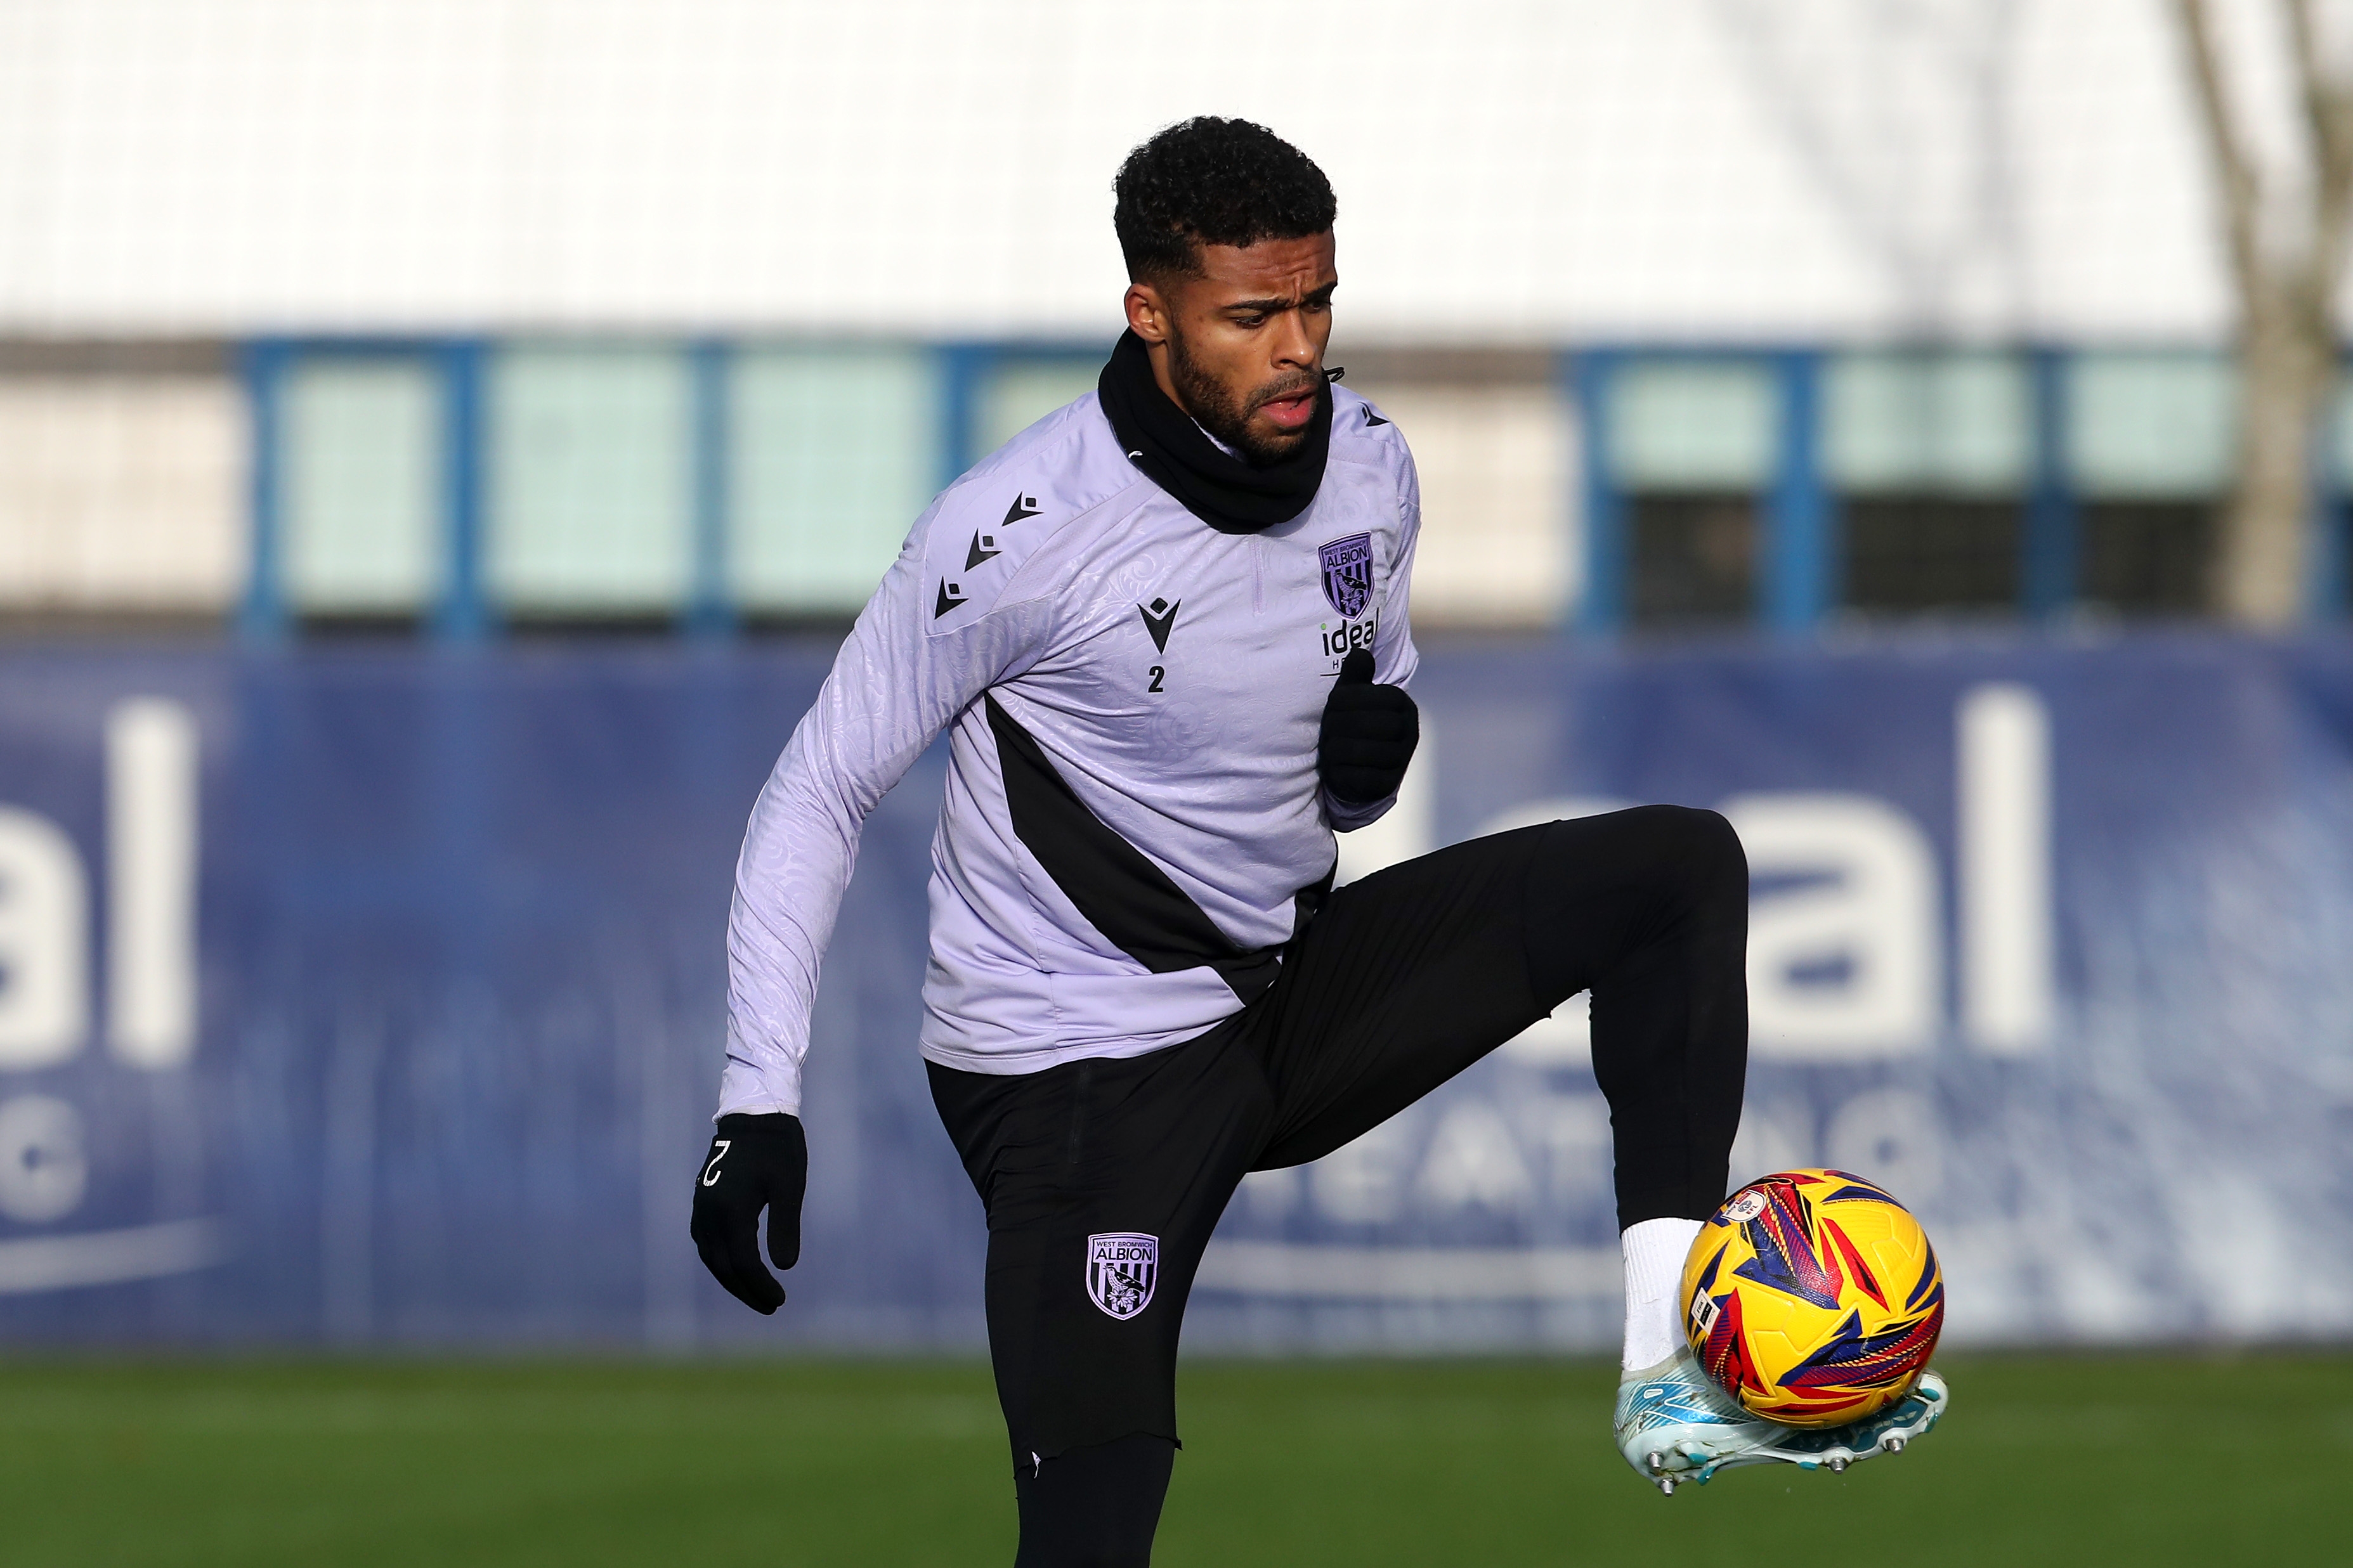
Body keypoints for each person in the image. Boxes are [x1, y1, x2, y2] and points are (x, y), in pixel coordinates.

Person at [691, 116, 1943, 1564]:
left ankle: (1670, 1359)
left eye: (1315, 302)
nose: (1297, 346)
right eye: (1250, 314)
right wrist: (755, 1099)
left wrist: (1372, 756)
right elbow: (817, 790)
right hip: (1075, 1065)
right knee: (1091, 1531)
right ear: (1149, 314)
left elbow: (1360, 727)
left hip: (1283, 989)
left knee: (1674, 873)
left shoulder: (1370, 471)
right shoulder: (1011, 535)